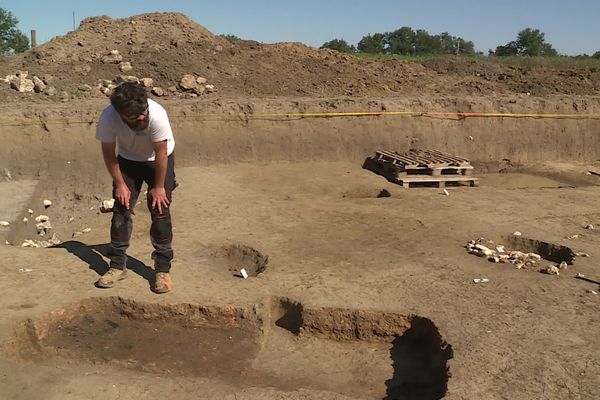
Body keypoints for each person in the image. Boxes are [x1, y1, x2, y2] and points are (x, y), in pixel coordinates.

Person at [95, 82, 176, 293]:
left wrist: (158, 187)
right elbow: (108, 153)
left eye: (143, 112)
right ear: (119, 113)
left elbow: (160, 153)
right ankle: (116, 266)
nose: (141, 118)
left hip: (158, 160)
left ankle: (162, 270)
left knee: (159, 209)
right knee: (121, 211)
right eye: (133, 116)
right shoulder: (108, 118)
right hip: (128, 160)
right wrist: (120, 184)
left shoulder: (157, 115)